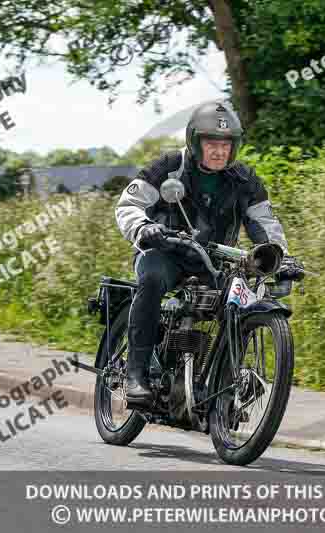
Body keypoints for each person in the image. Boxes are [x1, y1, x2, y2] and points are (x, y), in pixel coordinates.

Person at [115, 101, 298, 407]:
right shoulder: (169, 166)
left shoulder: (244, 180)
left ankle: (225, 381)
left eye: (225, 145)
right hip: (166, 252)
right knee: (152, 280)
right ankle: (136, 374)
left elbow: (264, 222)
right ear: (195, 141)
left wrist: (281, 256)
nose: (218, 151)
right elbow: (129, 205)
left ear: (234, 146)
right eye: (211, 143)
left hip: (215, 263)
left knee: (240, 303)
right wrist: (144, 228)